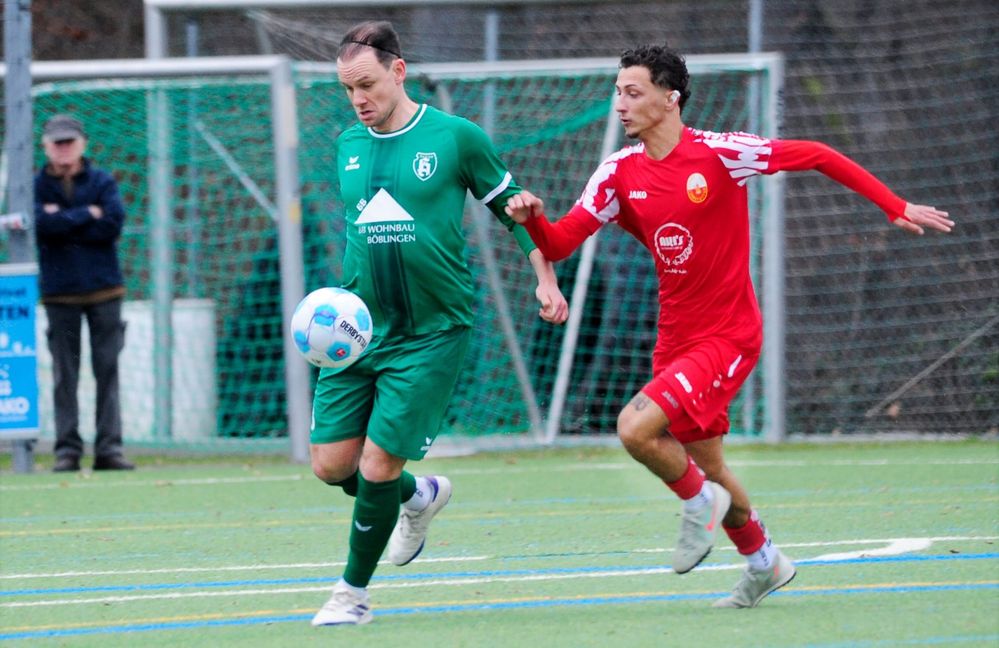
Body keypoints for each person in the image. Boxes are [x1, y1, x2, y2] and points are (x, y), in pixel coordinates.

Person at [506, 44, 953, 609]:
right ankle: (764, 560)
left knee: (635, 429)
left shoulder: (719, 154)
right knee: (710, 470)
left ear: (670, 100)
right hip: (675, 341)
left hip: (729, 336)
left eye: (633, 92)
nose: (620, 103)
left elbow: (815, 154)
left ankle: (696, 507)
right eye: (617, 91)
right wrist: (534, 221)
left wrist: (893, 205)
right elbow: (562, 243)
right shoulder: (618, 173)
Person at [309, 21, 568, 627]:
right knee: (331, 467)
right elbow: (362, 234)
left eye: (367, 85)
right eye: (348, 90)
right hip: (358, 332)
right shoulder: (349, 143)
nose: (358, 100)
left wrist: (545, 278)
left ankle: (351, 594)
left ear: (398, 72)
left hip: (431, 332)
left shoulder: (456, 138)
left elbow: (515, 210)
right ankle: (419, 498)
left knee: (376, 466)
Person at [34, 114, 134, 472]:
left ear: (82, 144)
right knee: (65, 375)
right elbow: (40, 227)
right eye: (57, 143)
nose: (63, 149)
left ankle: (109, 449)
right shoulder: (34, 185)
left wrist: (63, 220)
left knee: (107, 371)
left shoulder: (103, 181)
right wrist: (84, 215)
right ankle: (67, 450)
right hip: (59, 295)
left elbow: (111, 224)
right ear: (46, 147)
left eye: (69, 142)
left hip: (105, 291)